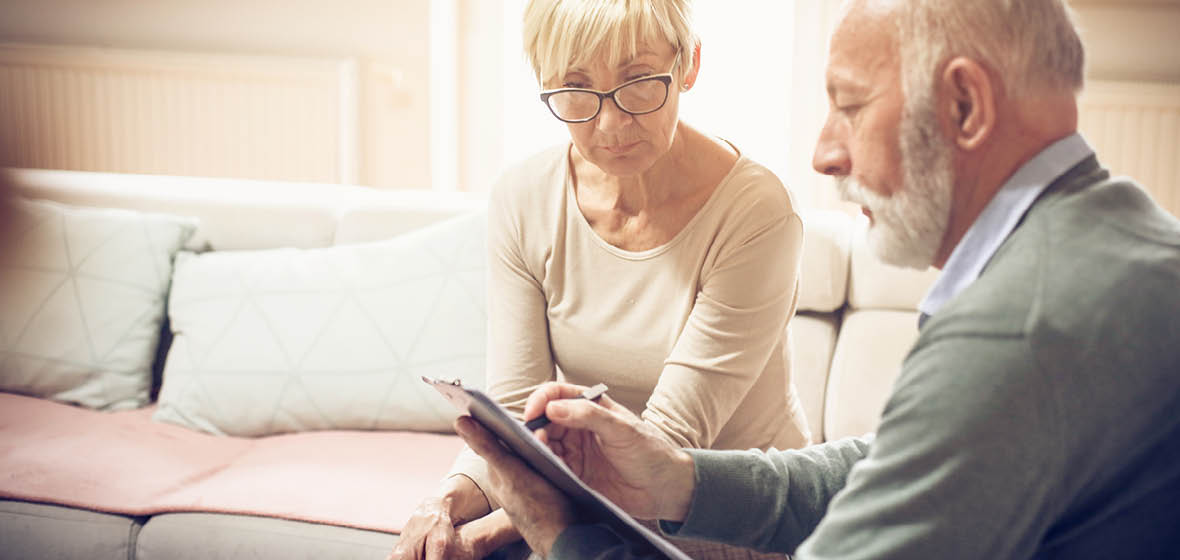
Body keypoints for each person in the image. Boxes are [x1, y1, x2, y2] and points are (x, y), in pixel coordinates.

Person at [456, 0, 1180, 558]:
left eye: (851, 105)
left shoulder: (1021, 326)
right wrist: (681, 477)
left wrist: (558, 533)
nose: (824, 153)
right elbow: (883, 464)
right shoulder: (1112, 243)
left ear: (965, 106)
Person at [389, 1, 812, 558]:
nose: (610, 125)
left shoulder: (756, 213)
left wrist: (484, 535)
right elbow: (516, 415)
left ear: (689, 65)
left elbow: (665, 449)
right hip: (591, 499)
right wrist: (442, 505)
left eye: (638, 81)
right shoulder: (524, 198)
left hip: (724, 517)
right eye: (576, 88)